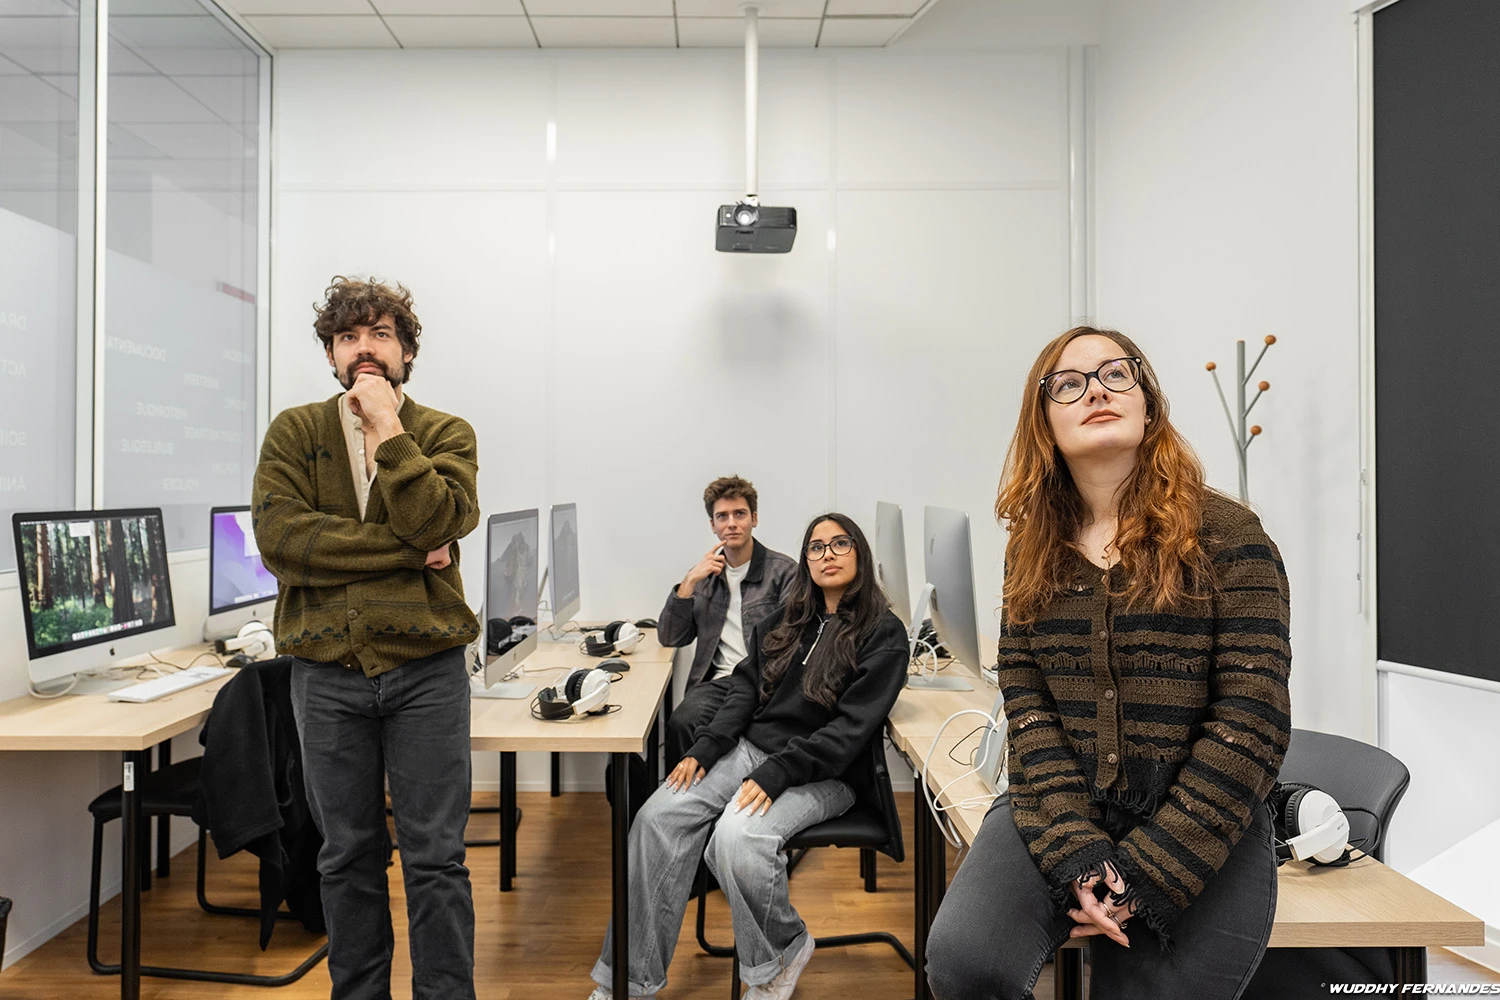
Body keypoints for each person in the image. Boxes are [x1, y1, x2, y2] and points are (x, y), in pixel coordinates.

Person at [925, 327, 1292, 1000]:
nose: (1096, 391)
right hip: (1058, 802)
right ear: (1044, 422)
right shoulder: (1031, 547)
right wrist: (1076, 846)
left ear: (1148, 403)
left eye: (1116, 374)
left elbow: (1252, 718)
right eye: (1069, 384)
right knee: (964, 961)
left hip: (1200, 815)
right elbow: (1027, 702)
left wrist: (1146, 870)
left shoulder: (1230, 537)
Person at [252, 276, 481, 1000]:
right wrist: (410, 552)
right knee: (346, 856)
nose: (364, 348)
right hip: (326, 676)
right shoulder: (295, 432)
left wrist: (387, 427)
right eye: (348, 337)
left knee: (436, 858)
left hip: (427, 672)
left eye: (381, 334)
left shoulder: (444, 433)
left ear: (407, 352)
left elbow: (437, 517)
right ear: (330, 354)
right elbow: (283, 542)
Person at [589, 513, 908, 1000]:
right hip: (752, 751)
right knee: (657, 818)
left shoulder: (883, 634)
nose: (827, 554)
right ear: (806, 560)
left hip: (827, 774)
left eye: (840, 543)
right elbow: (743, 686)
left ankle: (780, 955)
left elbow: (850, 731)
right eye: (816, 546)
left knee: (738, 838)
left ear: (859, 553)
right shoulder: (788, 618)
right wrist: (707, 746)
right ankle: (628, 983)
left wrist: (778, 771)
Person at [657, 475, 797, 767]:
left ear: (754, 518)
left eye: (739, 514)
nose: (731, 523)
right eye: (722, 516)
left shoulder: (784, 572)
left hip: (765, 683)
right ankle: (676, 793)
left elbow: (792, 642)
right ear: (713, 525)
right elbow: (671, 637)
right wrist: (689, 582)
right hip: (718, 684)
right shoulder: (704, 576)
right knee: (681, 723)